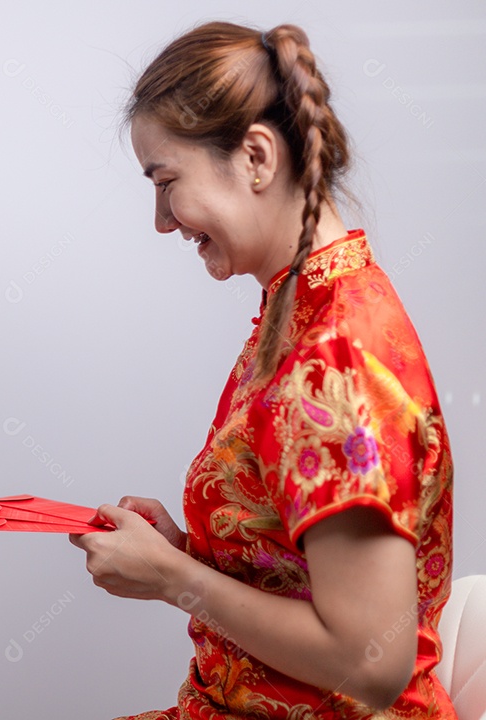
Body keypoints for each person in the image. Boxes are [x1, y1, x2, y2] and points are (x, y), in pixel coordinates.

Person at [70, 22, 455, 718]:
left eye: (167, 182)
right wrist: (185, 551)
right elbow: (298, 570)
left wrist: (176, 578)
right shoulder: (298, 307)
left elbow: (374, 663)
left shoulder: (334, 356)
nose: (162, 220)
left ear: (255, 156)